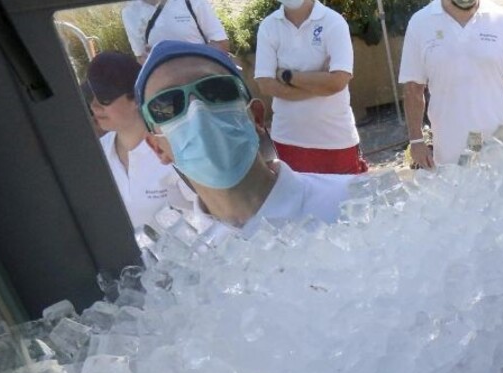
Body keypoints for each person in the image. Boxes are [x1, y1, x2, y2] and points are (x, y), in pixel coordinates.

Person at [135, 41, 351, 233]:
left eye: (216, 90)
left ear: (256, 117)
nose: (198, 111)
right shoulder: (189, 260)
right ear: (157, 148)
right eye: (168, 105)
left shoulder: (351, 202)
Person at [398, 0, 503, 168]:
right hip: (450, 151)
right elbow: (413, 88)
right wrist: (416, 140)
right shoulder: (420, 23)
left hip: (499, 147)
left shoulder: (502, 20)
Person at [253, 0, 368, 175]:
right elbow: (265, 85)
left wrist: (287, 76)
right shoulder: (268, 26)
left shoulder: (333, 22)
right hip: (287, 141)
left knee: (344, 193)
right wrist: (321, 84)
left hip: (336, 141)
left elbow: (338, 81)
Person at [86, 51, 194, 232]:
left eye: (104, 98)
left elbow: (214, 213)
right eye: (91, 96)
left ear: (136, 98)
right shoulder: (97, 154)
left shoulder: (174, 147)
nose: (94, 106)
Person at [122, 0, 232, 65]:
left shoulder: (192, 1)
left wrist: (184, 64)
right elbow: (140, 57)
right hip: (167, 87)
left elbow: (221, 44)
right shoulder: (129, 11)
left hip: (203, 77)